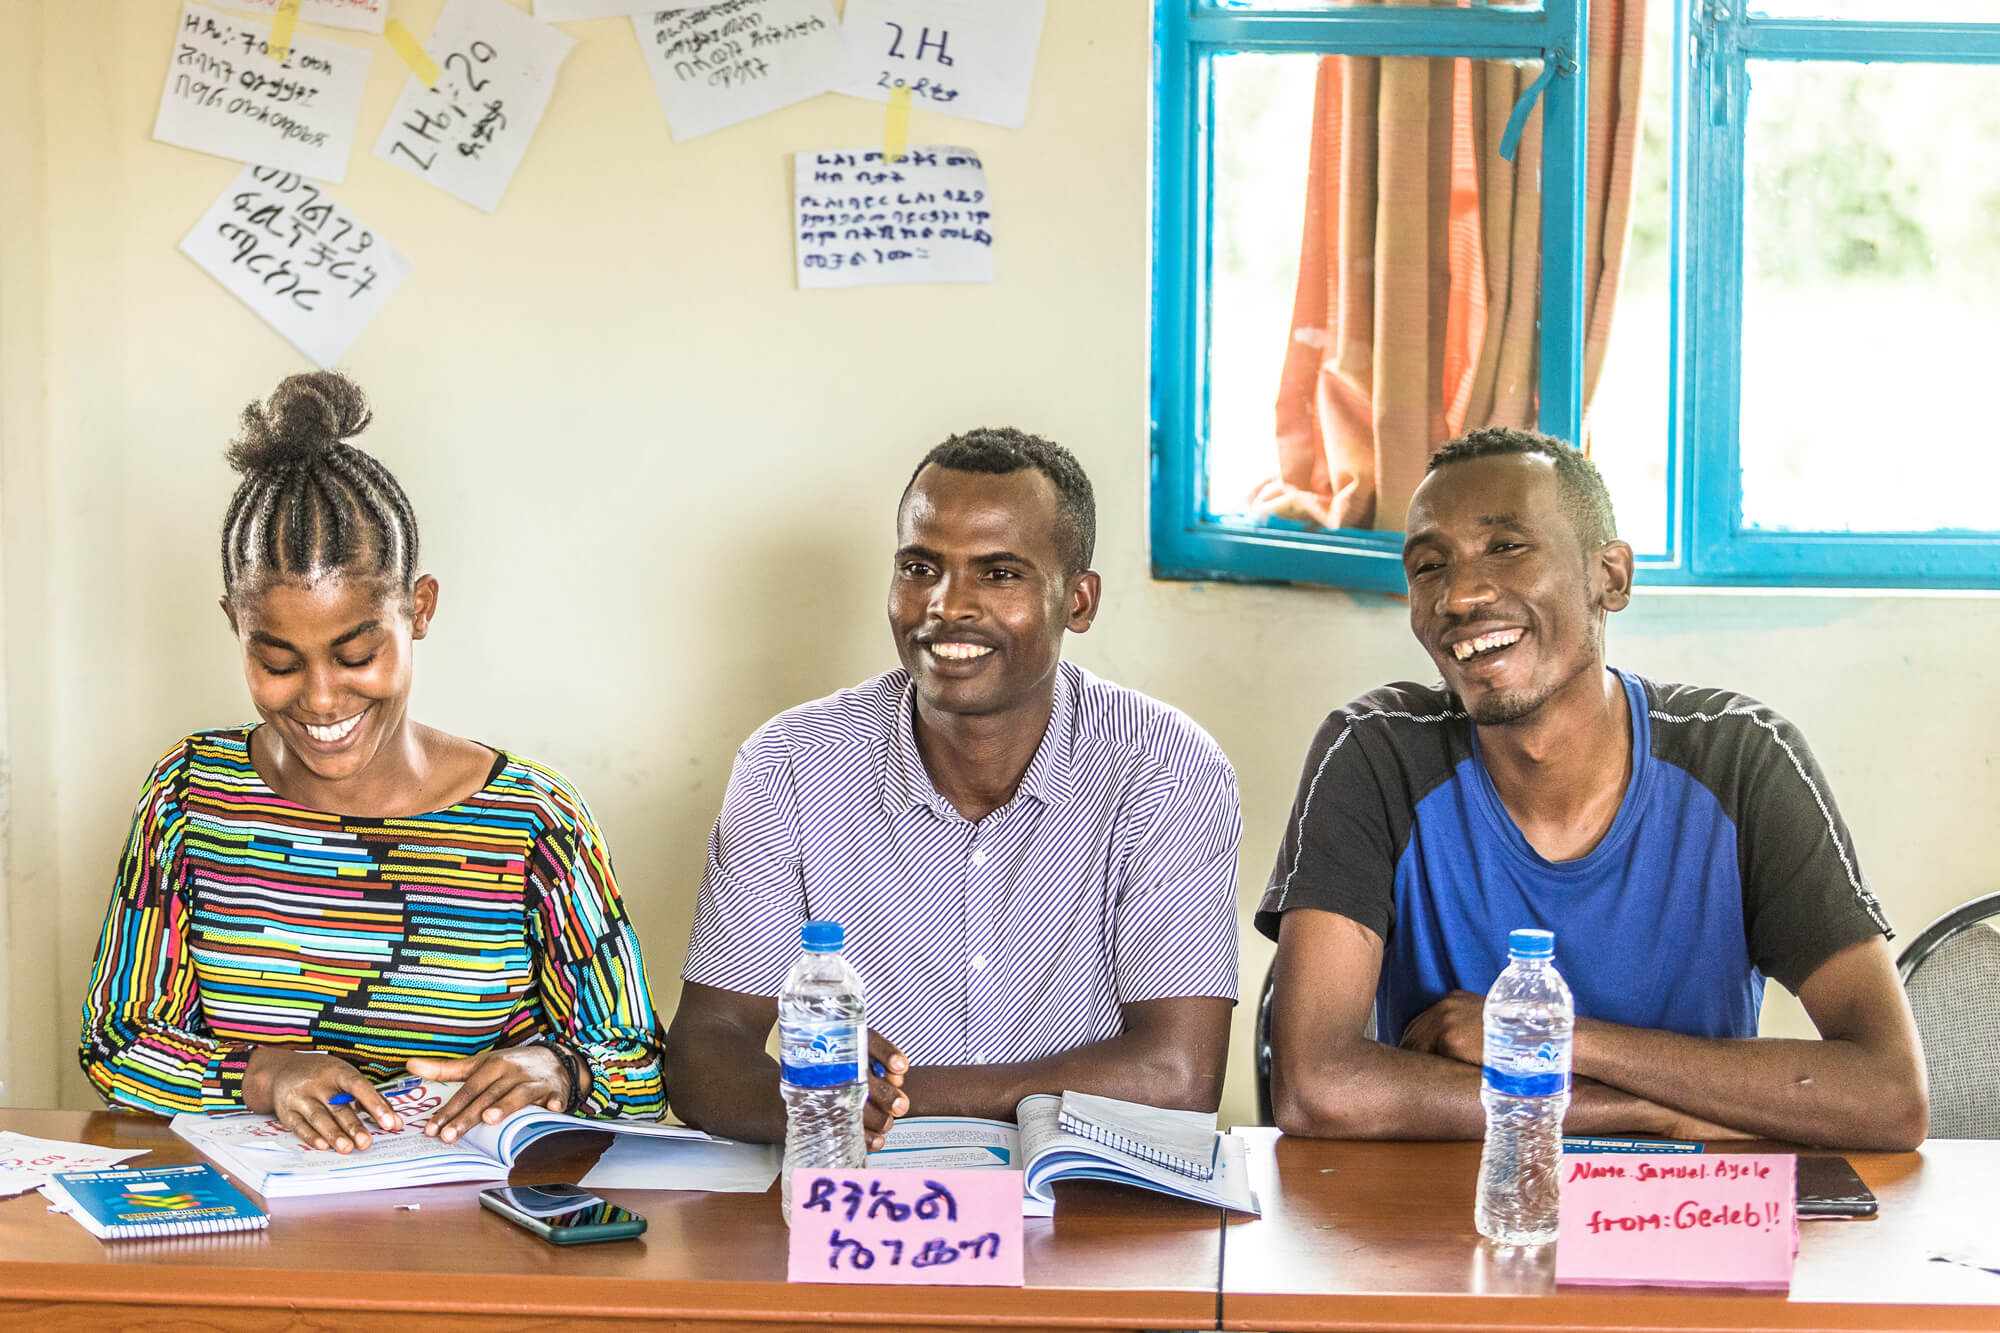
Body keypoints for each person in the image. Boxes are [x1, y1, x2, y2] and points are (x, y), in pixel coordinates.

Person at [1259, 427, 1928, 1150]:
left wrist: (1551, 1038)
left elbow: (1888, 1094)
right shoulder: (1375, 754)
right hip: (1450, 1222)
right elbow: (1314, 1085)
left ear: (1610, 576)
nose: (1460, 594)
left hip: (1686, 1222)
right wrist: (1648, 1115)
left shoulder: (1743, 760)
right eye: (1428, 566)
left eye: (1507, 547)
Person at [79, 372, 665, 1152]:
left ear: (419, 609)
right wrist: (266, 1074)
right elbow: (116, 1041)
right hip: (250, 1225)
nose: (321, 698)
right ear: (235, 624)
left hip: (471, 1234)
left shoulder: (534, 819)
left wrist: (561, 1068)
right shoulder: (190, 796)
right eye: (278, 660)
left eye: (358, 653)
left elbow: (642, 1067)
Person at [665, 428, 1240, 1148]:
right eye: (919, 566)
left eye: (999, 574)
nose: (947, 604)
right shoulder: (790, 763)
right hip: (857, 1203)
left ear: (1079, 602)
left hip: (1079, 1204)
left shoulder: (1166, 768)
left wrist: (885, 1097)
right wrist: (804, 1106)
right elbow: (705, 1045)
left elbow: (1179, 1074)